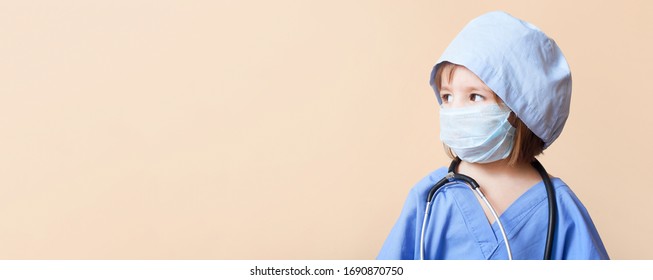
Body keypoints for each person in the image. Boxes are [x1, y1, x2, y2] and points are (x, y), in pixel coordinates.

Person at [377, 11, 609, 260]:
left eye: (475, 96)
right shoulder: (430, 199)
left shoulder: (561, 209)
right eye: (447, 97)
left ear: (523, 111)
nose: (455, 110)